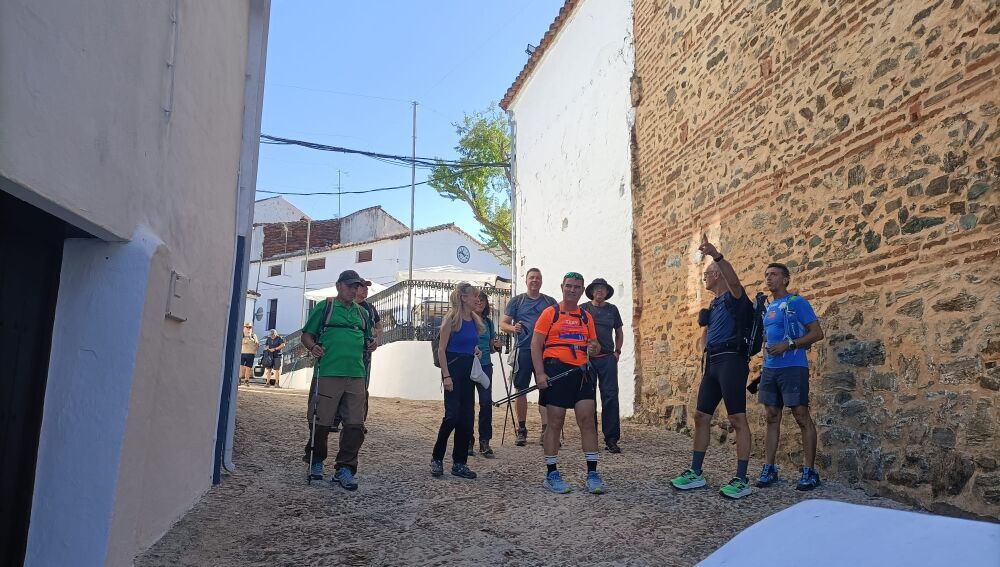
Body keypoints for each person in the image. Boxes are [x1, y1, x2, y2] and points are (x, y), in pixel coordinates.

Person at [670, 235, 754, 499]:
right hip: (714, 362)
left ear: (718, 275)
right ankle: (696, 472)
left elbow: (736, 281)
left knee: (737, 418)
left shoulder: (734, 297)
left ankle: (741, 479)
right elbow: (705, 337)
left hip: (732, 360)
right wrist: (703, 344)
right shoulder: (715, 303)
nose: (704, 278)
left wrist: (716, 255)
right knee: (701, 417)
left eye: (707, 274)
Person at [300, 270, 376, 491]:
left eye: (357, 287)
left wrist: (371, 344)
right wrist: (313, 347)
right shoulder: (326, 307)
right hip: (328, 372)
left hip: (356, 374)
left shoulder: (362, 313)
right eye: (351, 286)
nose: (354, 290)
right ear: (339, 285)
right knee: (320, 420)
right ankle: (315, 462)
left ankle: (345, 468)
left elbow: (368, 338)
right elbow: (307, 335)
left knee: (355, 424)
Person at [532, 272, 605, 494]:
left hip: (581, 373)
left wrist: (595, 348)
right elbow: (536, 345)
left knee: (588, 421)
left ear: (582, 290)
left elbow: (595, 345)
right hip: (556, 370)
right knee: (555, 422)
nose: (572, 290)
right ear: (562, 287)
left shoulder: (586, 317)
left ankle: (592, 474)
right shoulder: (550, 313)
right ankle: (551, 473)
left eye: (577, 287)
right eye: (569, 286)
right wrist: (540, 374)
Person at [756, 262, 825, 491]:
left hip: (794, 366)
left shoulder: (797, 302)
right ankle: (769, 467)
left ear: (785, 279)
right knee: (771, 416)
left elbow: (817, 333)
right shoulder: (768, 307)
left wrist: (790, 344)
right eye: (766, 275)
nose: (769, 279)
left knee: (800, 414)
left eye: (774, 275)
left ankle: (809, 470)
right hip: (770, 368)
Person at [430, 282, 483, 479]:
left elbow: (471, 345)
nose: (477, 299)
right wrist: (446, 376)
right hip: (453, 371)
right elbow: (441, 349)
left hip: (468, 372)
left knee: (467, 419)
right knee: (452, 416)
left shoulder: (475, 321)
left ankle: (459, 463)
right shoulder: (452, 320)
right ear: (463, 297)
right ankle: (437, 457)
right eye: (474, 296)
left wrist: (476, 351)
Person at [501, 268, 557, 446]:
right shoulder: (517, 301)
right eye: (532, 277)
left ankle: (546, 430)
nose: (535, 280)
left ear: (541, 281)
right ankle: (522, 429)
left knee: (546, 390)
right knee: (521, 389)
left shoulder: (550, 302)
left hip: (545, 351)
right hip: (523, 350)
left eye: (538, 278)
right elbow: (503, 323)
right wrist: (513, 328)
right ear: (526, 280)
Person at [581, 278, 625, 453]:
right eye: (597, 288)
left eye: (603, 289)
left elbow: (619, 332)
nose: (600, 291)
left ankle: (611, 439)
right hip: (588, 360)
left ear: (607, 292)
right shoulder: (584, 309)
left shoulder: (612, 310)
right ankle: (591, 437)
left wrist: (617, 351)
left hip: (607, 358)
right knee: (588, 399)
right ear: (591, 291)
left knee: (610, 398)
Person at [332, 280, 382, 431]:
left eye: (367, 287)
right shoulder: (339, 305)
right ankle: (334, 419)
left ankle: (359, 421)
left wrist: (376, 337)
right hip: (342, 354)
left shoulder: (370, 308)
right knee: (338, 385)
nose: (365, 290)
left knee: (361, 389)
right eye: (361, 287)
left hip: (363, 355)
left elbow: (379, 326)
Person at [470, 290, 502, 458]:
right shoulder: (466, 320)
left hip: (485, 366)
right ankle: (468, 440)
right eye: (477, 299)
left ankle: (484, 441)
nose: (479, 302)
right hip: (468, 365)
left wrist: (496, 345)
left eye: (483, 299)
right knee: (467, 404)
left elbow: (491, 346)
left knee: (485, 403)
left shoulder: (488, 323)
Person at [239, 322, 259, 386]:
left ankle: (246, 381)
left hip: (250, 354)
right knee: (240, 367)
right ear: (244, 327)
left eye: (250, 327)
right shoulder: (241, 335)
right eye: (247, 327)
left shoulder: (253, 335)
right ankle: (239, 380)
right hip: (242, 353)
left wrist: (256, 351)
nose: (248, 328)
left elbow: (257, 343)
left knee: (248, 368)